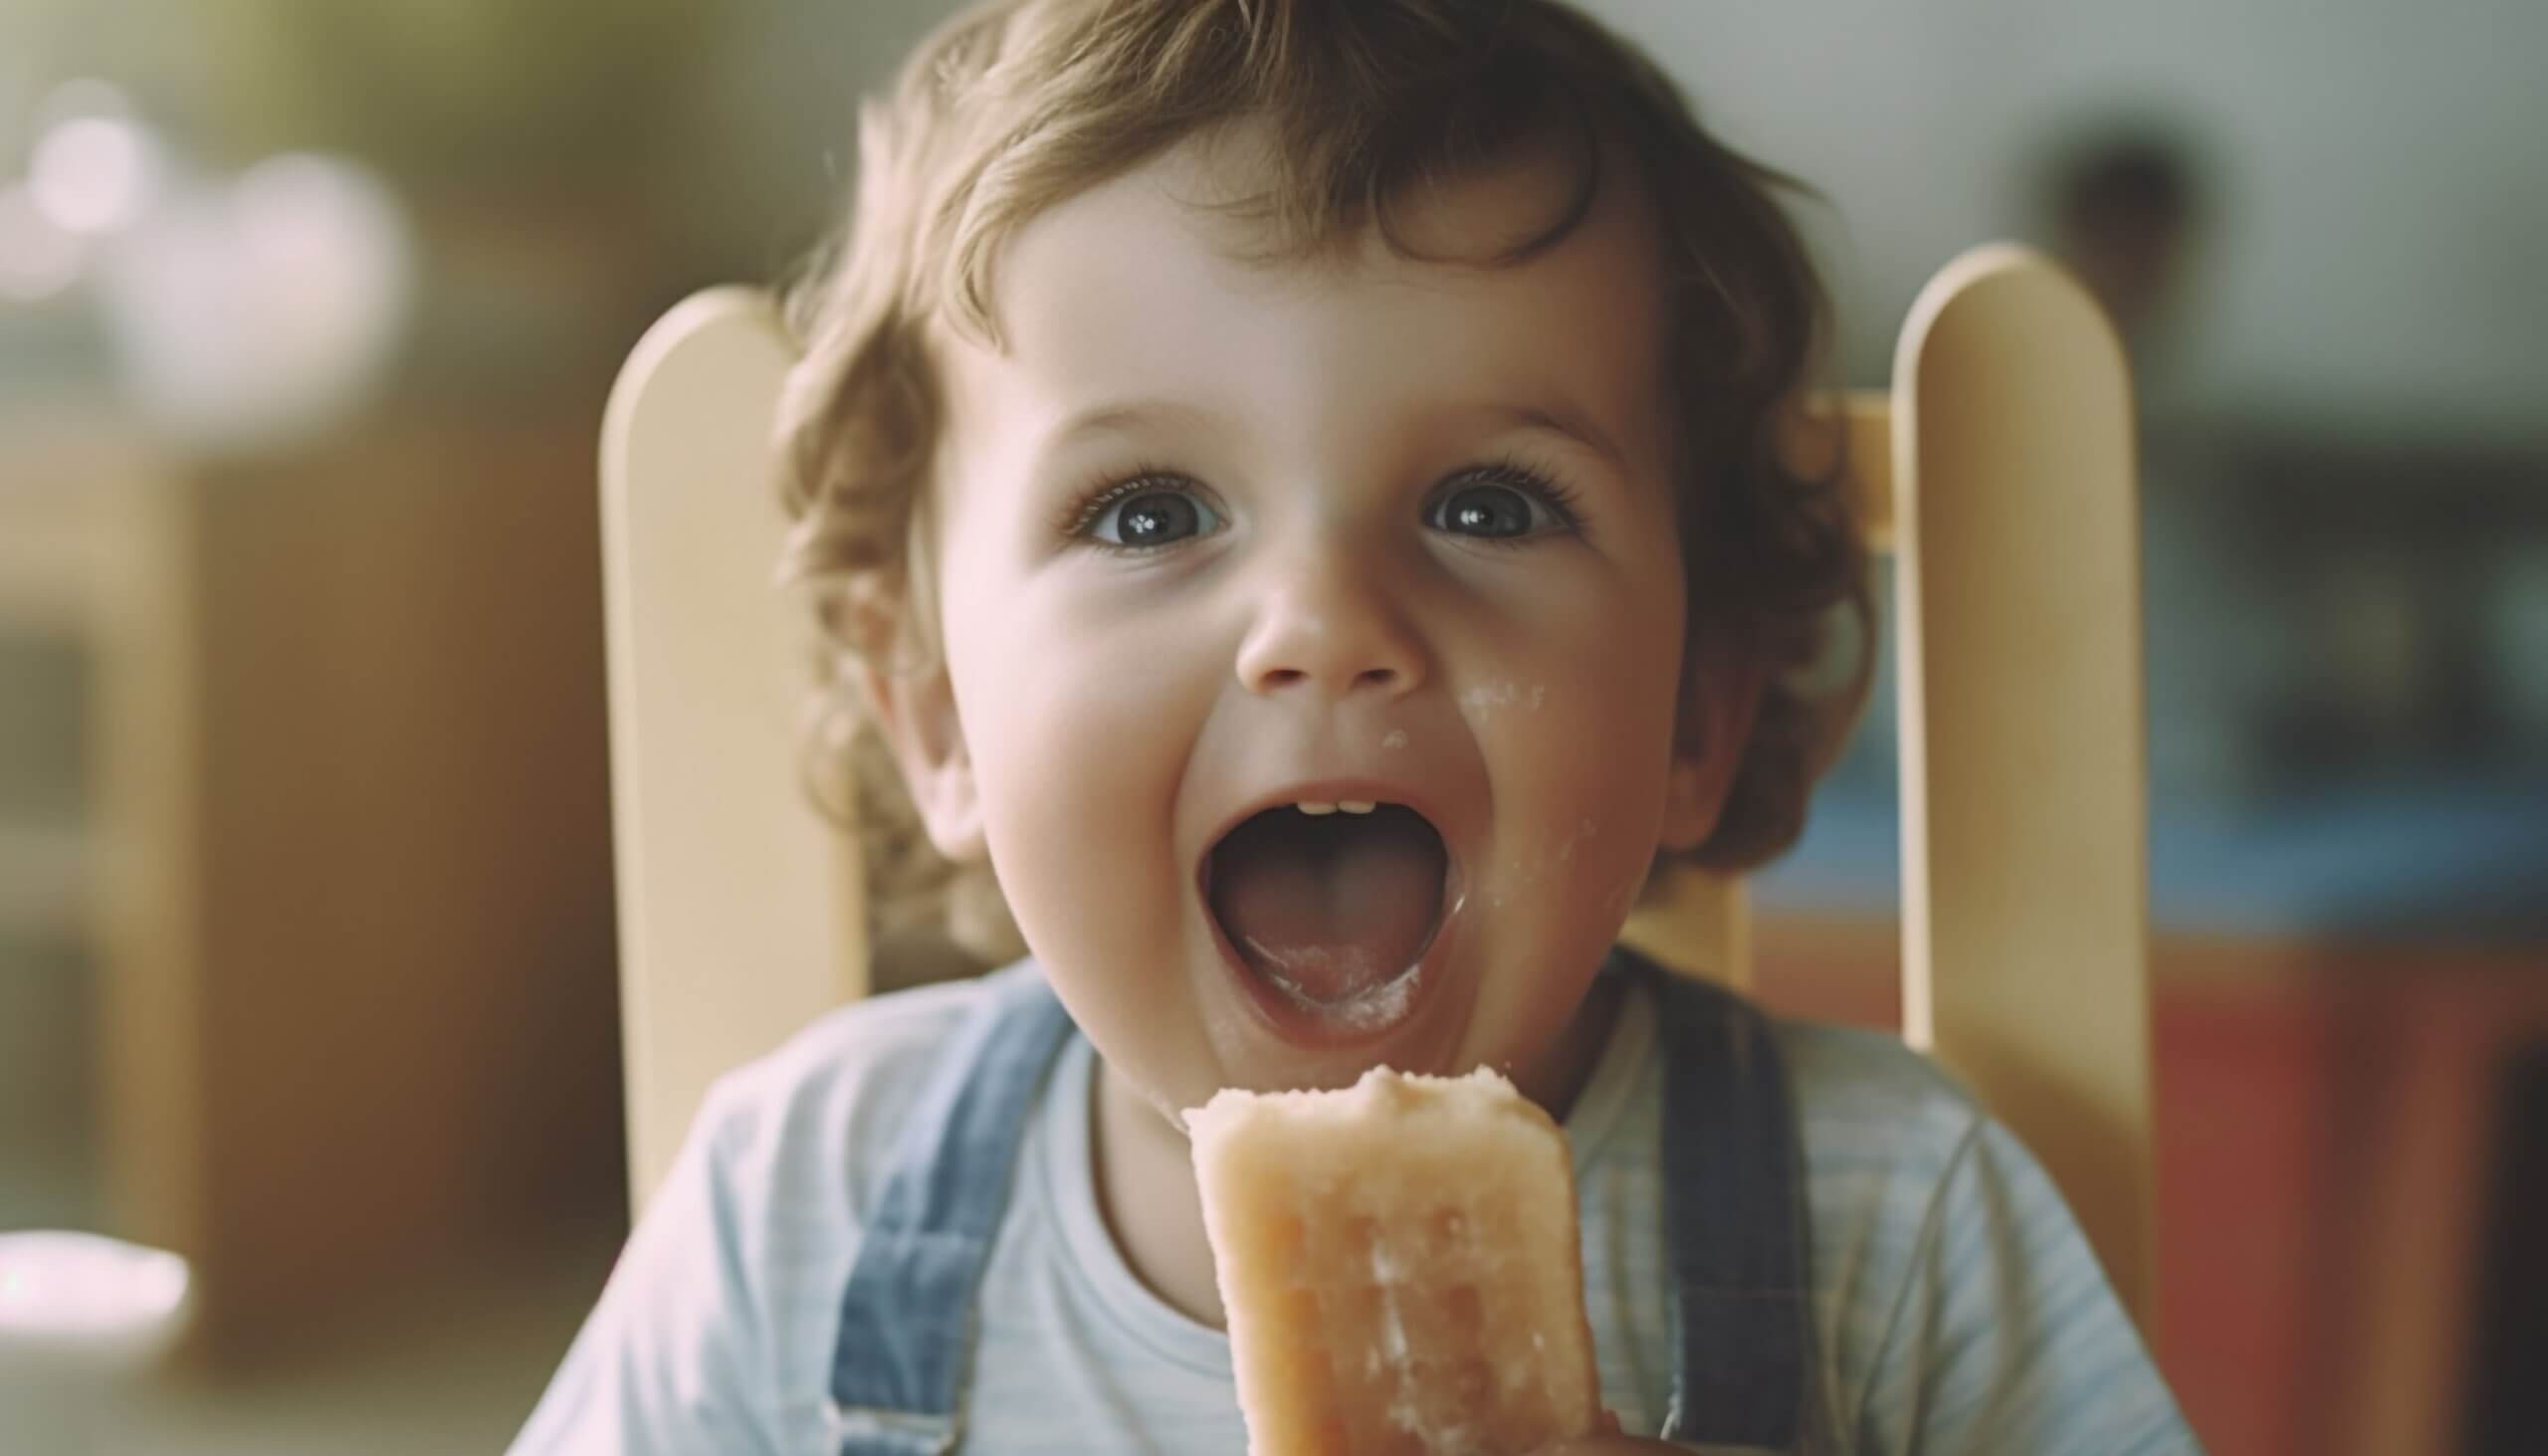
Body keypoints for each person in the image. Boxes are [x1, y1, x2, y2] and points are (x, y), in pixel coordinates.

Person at [514, 2, 2200, 1451]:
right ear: (939, 713)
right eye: (1151, 512)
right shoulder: (802, 1205)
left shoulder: (1896, 1227)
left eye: (1485, 504)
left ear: (1699, 709)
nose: (1323, 624)